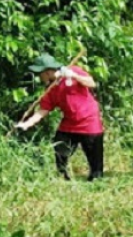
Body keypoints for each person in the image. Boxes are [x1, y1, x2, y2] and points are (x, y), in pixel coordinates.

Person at [16, 53, 104, 181]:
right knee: (60, 148)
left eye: (40, 73)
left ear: (47, 72)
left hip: (89, 121)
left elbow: (91, 83)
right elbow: (43, 110)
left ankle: (96, 179)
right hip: (69, 123)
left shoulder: (73, 71)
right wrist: (26, 124)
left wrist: (74, 76)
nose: (39, 77)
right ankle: (63, 177)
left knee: (95, 160)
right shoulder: (51, 89)